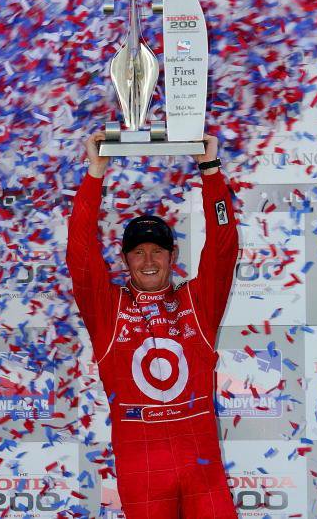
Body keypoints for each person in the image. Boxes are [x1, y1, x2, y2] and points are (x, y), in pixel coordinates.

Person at [66, 130, 239, 519]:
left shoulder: (197, 302)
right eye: (138, 252)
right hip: (143, 471)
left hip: (202, 470)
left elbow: (224, 245)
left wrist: (210, 171)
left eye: (157, 251)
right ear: (125, 259)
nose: (148, 260)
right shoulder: (107, 308)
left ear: (172, 254)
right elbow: (79, 251)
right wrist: (95, 173)